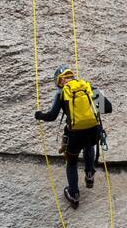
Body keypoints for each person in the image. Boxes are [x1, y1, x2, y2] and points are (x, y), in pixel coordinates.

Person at [35, 65, 113, 208]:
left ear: (60, 80)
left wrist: (38, 115)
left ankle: (74, 194)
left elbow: (52, 116)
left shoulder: (62, 93)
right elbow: (108, 108)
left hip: (75, 134)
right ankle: (89, 174)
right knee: (89, 145)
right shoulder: (89, 87)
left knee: (71, 162)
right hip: (94, 131)